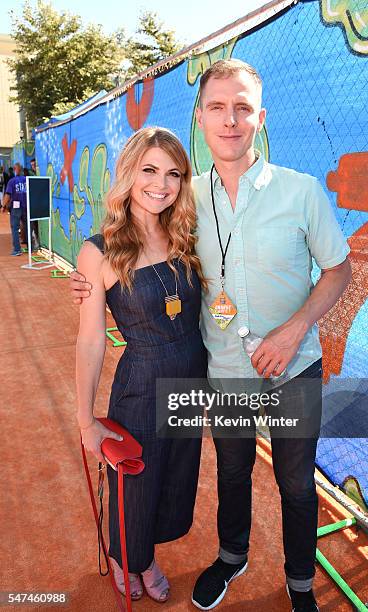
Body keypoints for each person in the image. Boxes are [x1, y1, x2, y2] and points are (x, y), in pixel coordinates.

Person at [70, 59, 351, 612]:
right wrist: (90, 280)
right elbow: (133, 236)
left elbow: (338, 270)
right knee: (232, 473)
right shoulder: (184, 199)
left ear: (260, 118)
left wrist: (295, 331)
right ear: (200, 118)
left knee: (296, 486)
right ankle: (231, 557)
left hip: (294, 369)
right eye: (218, 108)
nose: (230, 120)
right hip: (223, 374)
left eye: (242, 108)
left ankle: (299, 585)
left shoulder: (301, 191)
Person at [75, 127, 208, 603]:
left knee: (174, 480)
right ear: (129, 173)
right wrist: (85, 420)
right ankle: (127, 559)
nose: (161, 183)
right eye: (149, 169)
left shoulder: (187, 234)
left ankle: (144, 555)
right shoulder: (99, 250)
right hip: (143, 386)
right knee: (137, 484)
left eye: (173, 173)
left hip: (193, 381)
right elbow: (90, 340)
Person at [1, 162, 27, 256]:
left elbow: (8, 195)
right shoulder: (27, 180)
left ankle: (17, 249)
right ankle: (30, 246)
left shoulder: (12, 181)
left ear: (15, 170)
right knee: (27, 225)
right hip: (26, 206)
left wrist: (3, 206)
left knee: (15, 228)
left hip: (16, 208)